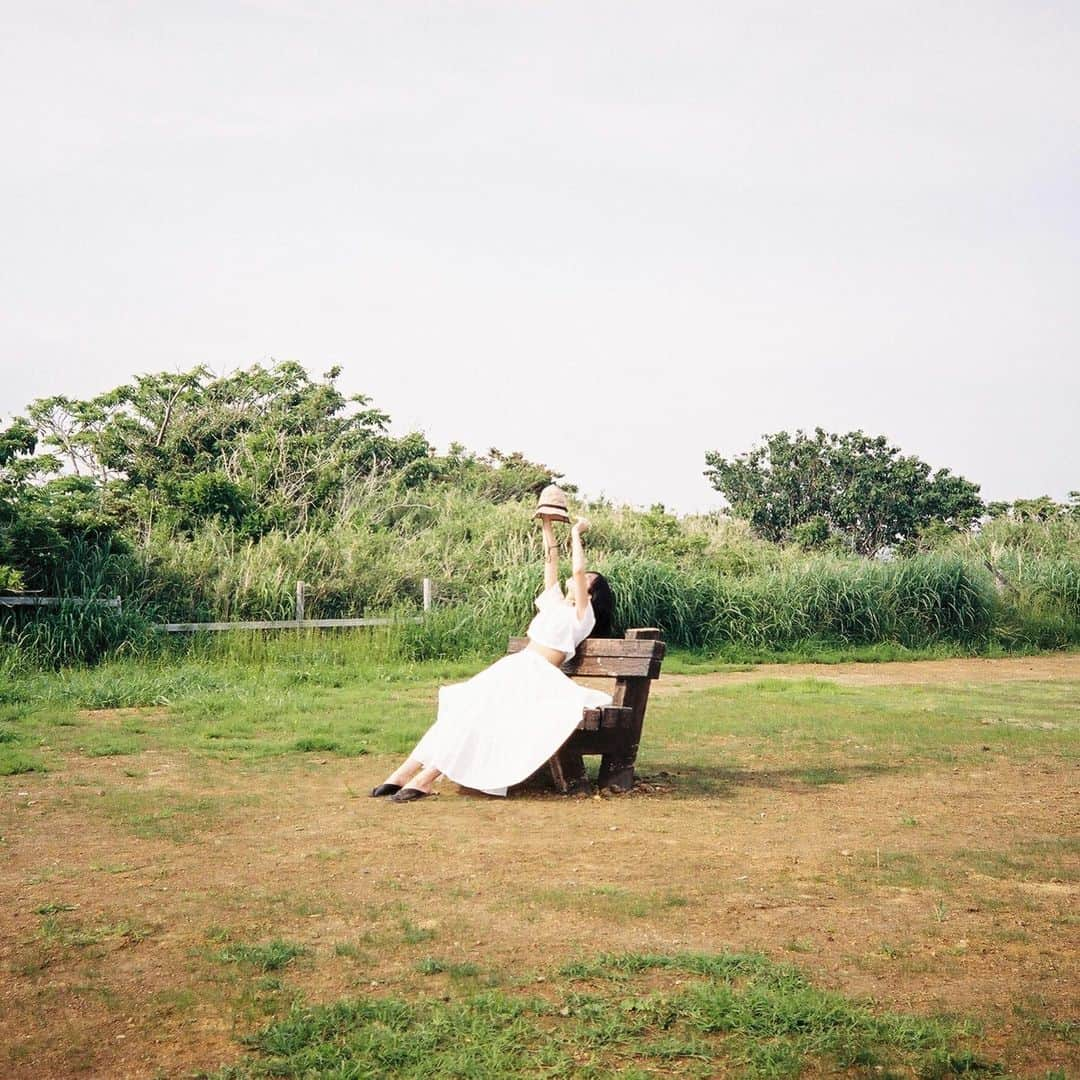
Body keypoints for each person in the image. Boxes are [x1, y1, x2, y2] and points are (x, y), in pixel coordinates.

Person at [371, 513, 615, 802]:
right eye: (585, 575)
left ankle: (426, 778)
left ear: (591, 593)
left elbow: (577, 569)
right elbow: (551, 560)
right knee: (461, 710)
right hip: (517, 668)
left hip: (539, 677)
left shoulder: (582, 616)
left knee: (483, 715)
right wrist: (547, 525)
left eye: (587, 579)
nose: (579, 577)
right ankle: (402, 773)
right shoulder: (555, 604)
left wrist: (576, 533)